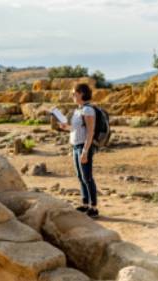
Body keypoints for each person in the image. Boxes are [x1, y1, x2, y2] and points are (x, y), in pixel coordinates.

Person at [59, 83, 99, 218]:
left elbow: (90, 132)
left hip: (83, 146)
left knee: (87, 177)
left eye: (73, 93)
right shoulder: (78, 110)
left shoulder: (88, 110)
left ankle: (93, 208)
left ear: (81, 93)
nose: (72, 96)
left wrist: (85, 151)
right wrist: (66, 127)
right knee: (80, 177)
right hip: (75, 146)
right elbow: (75, 129)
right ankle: (85, 204)